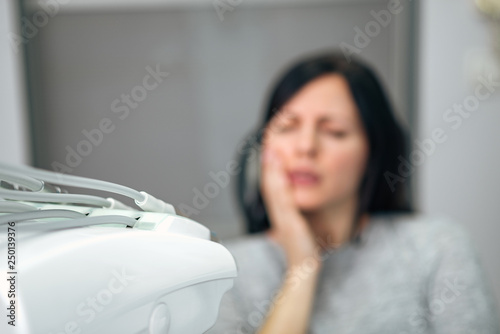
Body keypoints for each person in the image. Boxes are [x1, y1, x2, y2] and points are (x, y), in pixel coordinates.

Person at [205, 51, 500, 334]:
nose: (306, 146)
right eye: (287, 127)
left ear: (373, 152)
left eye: (334, 131)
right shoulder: (223, 272)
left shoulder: (436, 249)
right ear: (263, 148)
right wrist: (302, 267)